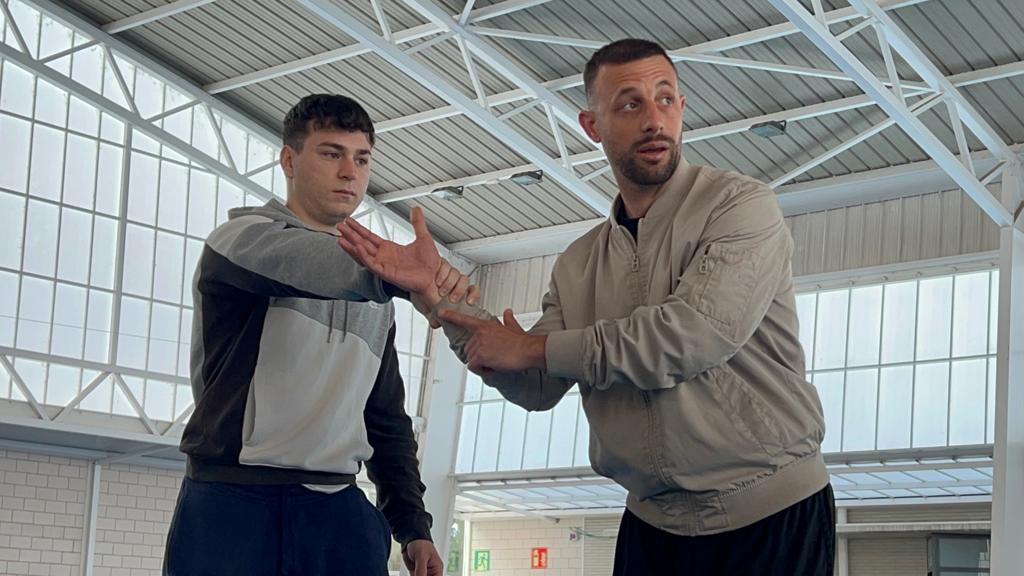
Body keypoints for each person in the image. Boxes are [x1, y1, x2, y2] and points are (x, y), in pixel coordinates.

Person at [337, 40, 834, 575]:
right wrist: (438, 297)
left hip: (770, 513)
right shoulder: (579, 263)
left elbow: (692, 337)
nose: (654, 119)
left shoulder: (739, 206)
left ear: (682, 108)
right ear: (592, 125)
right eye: (630, 103)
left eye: (665, 99)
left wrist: (534, 348)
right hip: (652, 525)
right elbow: (536, 384)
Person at [165, 94, 474, 576]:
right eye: (332, 153)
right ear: (289, 160)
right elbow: (304, 261)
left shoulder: (376, 294)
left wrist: (413, 526)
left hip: (337, 512)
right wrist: (397, 276)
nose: (350, 172)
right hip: (233, 504)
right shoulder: (240, 242)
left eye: (362, 159)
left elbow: (385, 418)